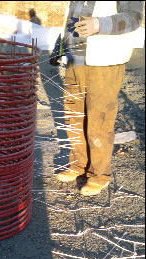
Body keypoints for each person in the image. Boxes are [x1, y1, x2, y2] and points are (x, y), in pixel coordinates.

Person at [50, 1, 144, 196]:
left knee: (99, 120)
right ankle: (78, 164)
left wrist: (100, 24)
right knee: (74, 117)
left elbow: (134, 17)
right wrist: (60, 48)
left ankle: (99, 175)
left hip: (105, 62)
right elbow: (71, 16)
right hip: (76, 60)